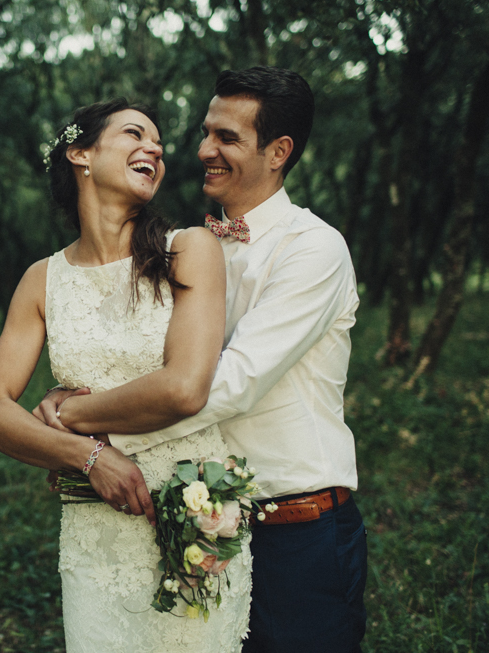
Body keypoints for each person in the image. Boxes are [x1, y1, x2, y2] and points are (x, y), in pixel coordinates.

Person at [36, 68, 367, 652]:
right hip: (197, 518)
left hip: (295, 528)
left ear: (278, 152)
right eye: (206, 132)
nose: (203, 150)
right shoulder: (185, 247)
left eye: (227, 138)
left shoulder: (313, 248)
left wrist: (84, 428)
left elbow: (230, 383)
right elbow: (145, 364)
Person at [0, 98, 253, 652]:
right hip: (93, 535)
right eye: (134, 134)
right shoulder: (40, 280)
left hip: (192, 518)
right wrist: (87, 456)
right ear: (80, 153)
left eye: (159, 145)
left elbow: (184, 386)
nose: (155, 149)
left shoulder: (189, 250)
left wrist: (65, 414)